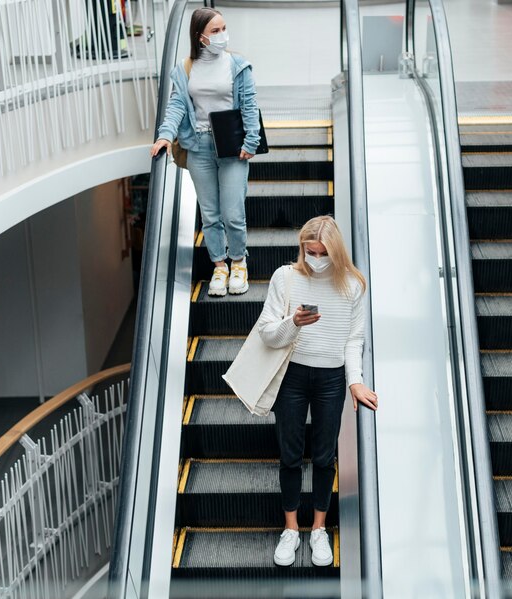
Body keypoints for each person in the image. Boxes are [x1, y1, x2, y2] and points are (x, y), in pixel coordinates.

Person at [256, 216, 379, 567]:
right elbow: (266, 332)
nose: (315, 258)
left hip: (330, 380)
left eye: (323, 252)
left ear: (336, 251)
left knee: (325, 456)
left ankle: (319, 528)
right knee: (290, 454)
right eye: (310, 251)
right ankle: (291, 529)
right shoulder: (286, 277)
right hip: (291, 375)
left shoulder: (353, 285)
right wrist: (292, 323)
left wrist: (354, 380)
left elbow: (354, 338)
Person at [150, 7, 259, 296]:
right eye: (215, 31)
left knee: (233, 212)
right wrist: (165, 135)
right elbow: (176, 106)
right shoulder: (186, 69)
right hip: (198, 146)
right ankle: (219, 266)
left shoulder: (237, 65)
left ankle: (238, 262)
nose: (223, 35)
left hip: (232, 148)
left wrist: (251, 142)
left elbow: (249, 105)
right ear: (200, 37)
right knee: (210, 214)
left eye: (224, 28)